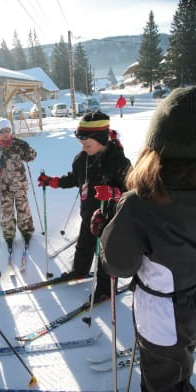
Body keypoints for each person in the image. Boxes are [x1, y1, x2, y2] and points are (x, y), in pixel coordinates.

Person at [100, 87, 196, 392]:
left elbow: (118, 264)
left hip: (164, 318)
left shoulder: (141, 203)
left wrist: (106, 229)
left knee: (165, 383)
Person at [37, 111, 131, 300]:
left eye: (88, 144)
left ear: (102, 140)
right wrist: (54, 181)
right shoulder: (83, 158)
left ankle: (105, 289)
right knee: (84, 245)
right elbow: (75, 178)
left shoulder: (119, 162)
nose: (84, 148)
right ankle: (79, 271)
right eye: (82, 144)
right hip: (88, 213)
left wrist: (114, 193)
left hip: (109, 217)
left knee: (104, 254)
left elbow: (133, 189)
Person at [0, 118, 37, 248]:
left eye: (7, 130)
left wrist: (27, 147)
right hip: (4, 187)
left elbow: (31, 157)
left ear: (11, 130)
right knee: (7, 212)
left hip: (20, 184)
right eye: (2, 131)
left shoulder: (18, 145)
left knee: (23, 209)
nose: (5, 133)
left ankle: (27, 232)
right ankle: (9, 236)